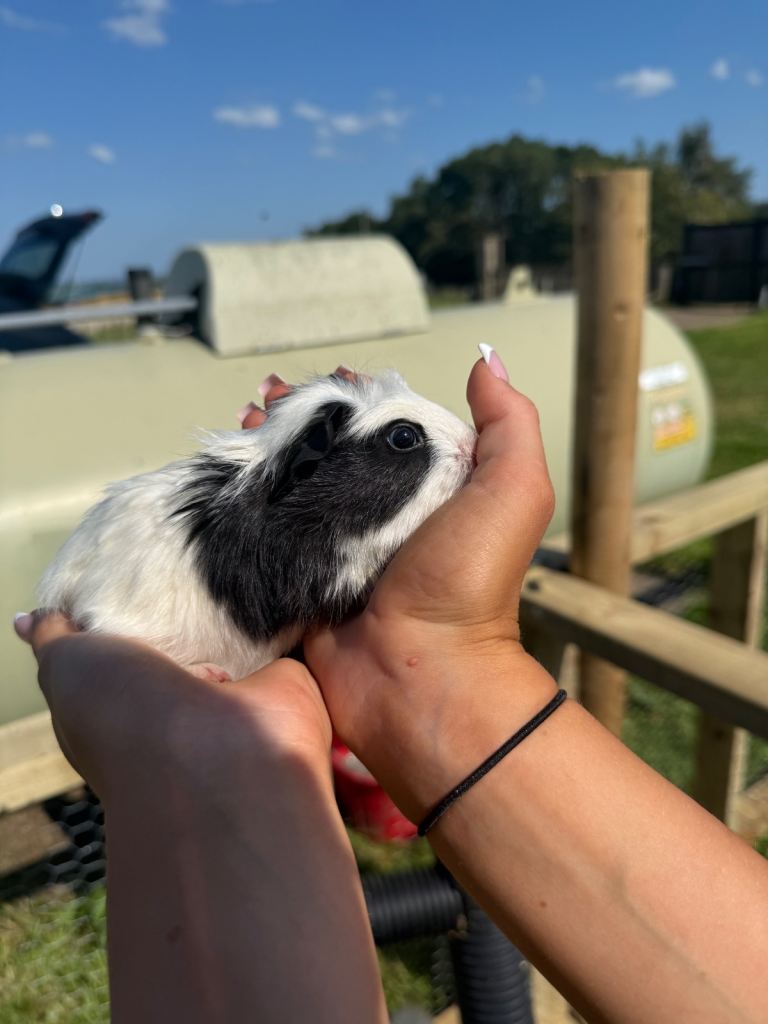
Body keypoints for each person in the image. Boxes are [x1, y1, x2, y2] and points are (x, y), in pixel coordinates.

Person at [14, 349, 768, 1024]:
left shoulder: (314, 525)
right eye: (405, 443)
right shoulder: (311, 546)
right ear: (315, 464)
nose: (456, 455)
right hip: (129, 620)